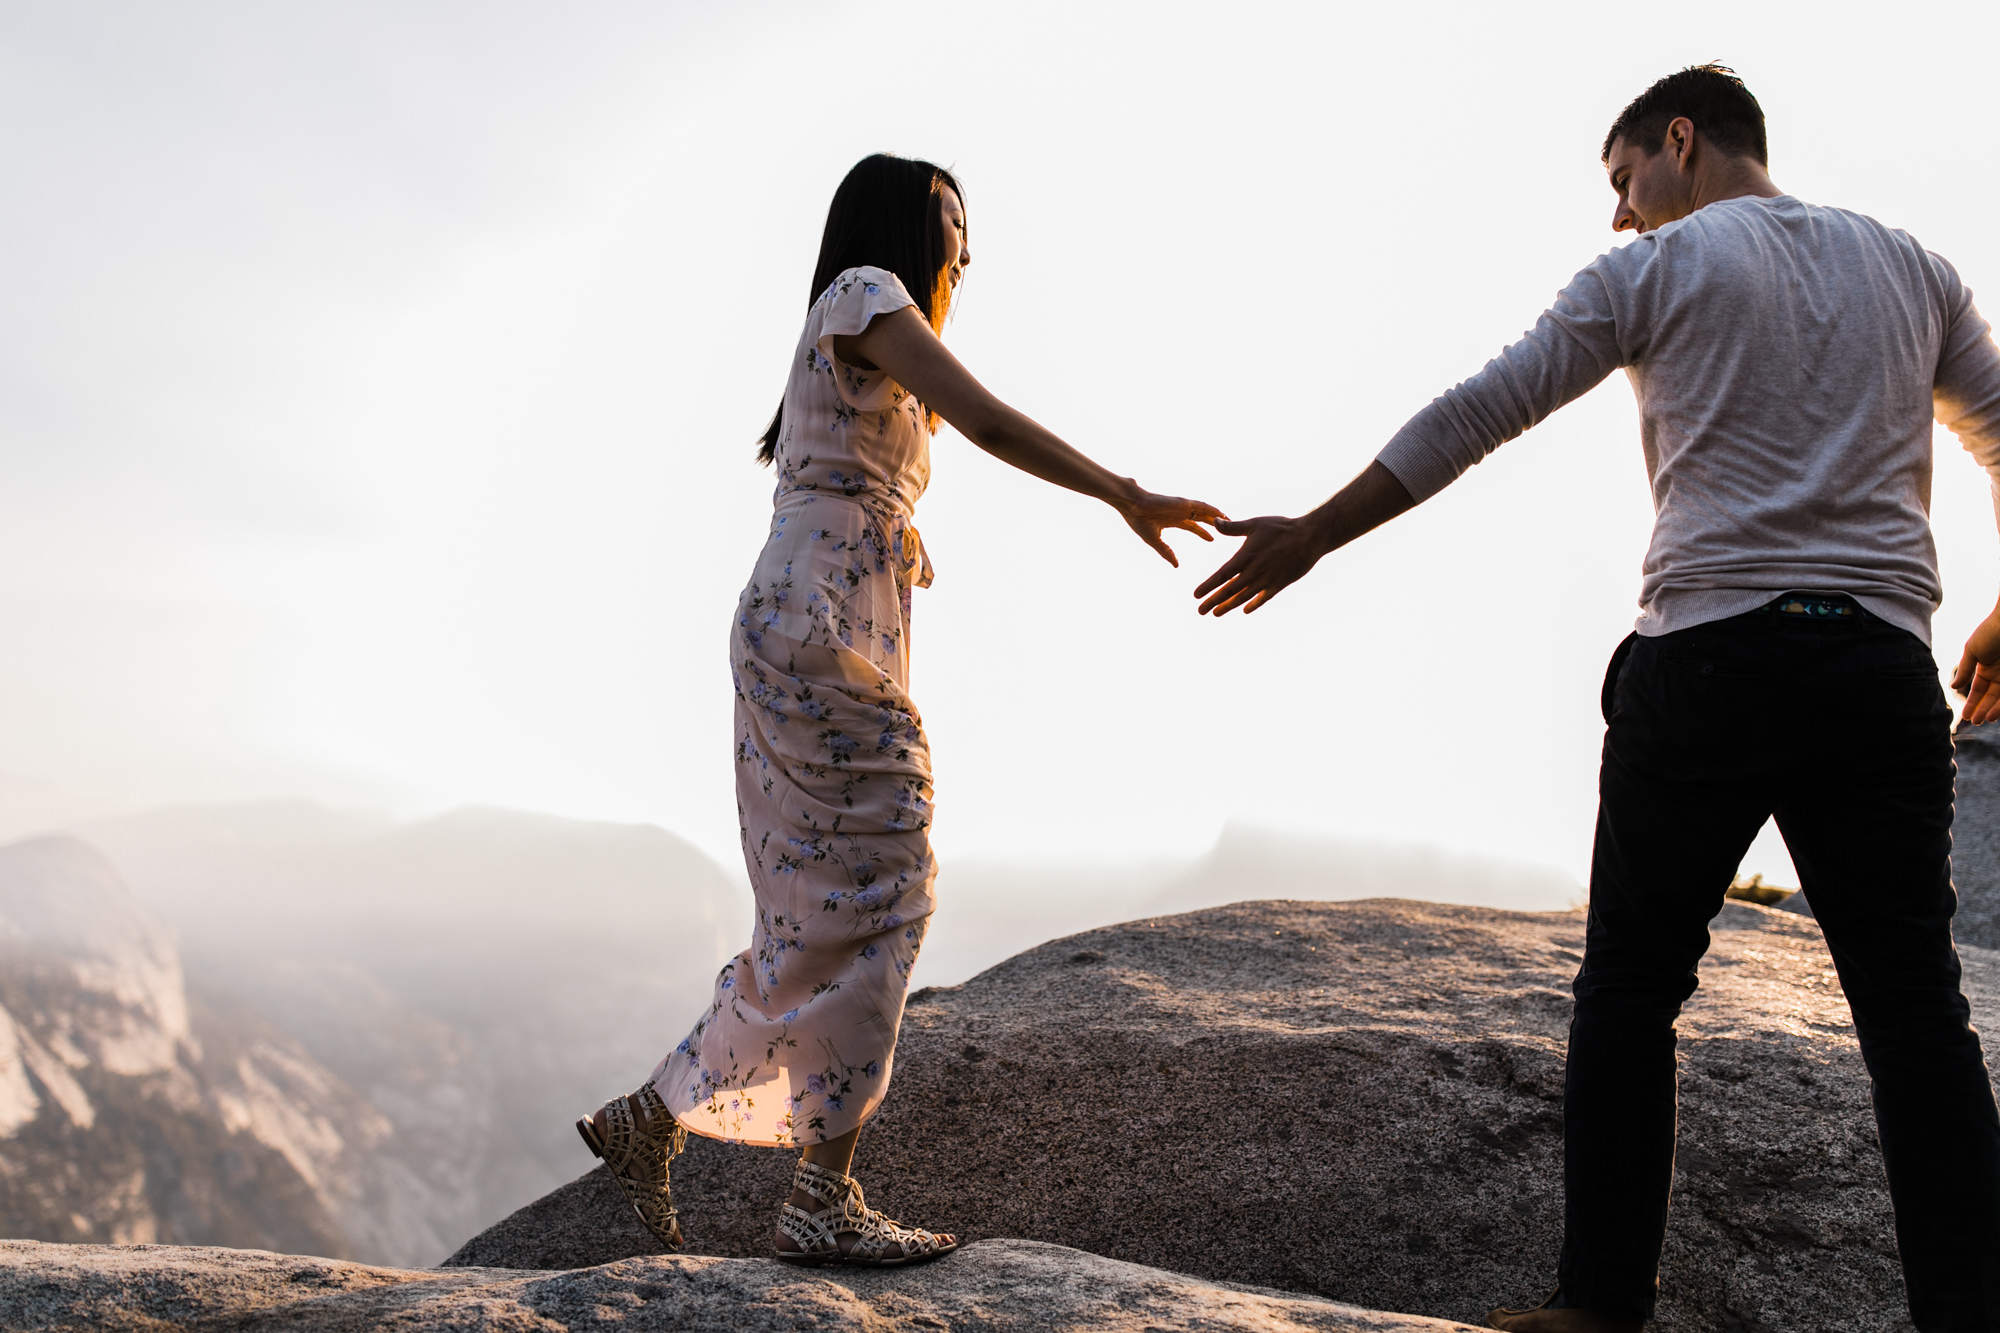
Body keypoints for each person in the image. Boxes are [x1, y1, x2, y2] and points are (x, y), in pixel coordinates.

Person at [1193, 64, 2000, 1333]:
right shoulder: (1912, 268)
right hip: (1876, 666)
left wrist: (1315, 534)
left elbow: (1478, 411)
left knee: (1631, 987)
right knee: (1913, 1011)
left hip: (1710, 661)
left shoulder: (1650, 273)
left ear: (1679, 143)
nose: (1618, 216)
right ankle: (1970, 1309)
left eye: (1623, 181)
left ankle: (1603, 1304)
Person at [577, 153, 1223, 1267]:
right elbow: (987, 420)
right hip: (820, 619)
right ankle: (816, 1198)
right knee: (891, 886)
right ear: (899, 226)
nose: (965, 253)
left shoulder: (864, 329)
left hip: (823, 612)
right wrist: (1121, 491)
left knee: (826, 905)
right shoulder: (865, 294)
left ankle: (652, 1120)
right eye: (952, 225)